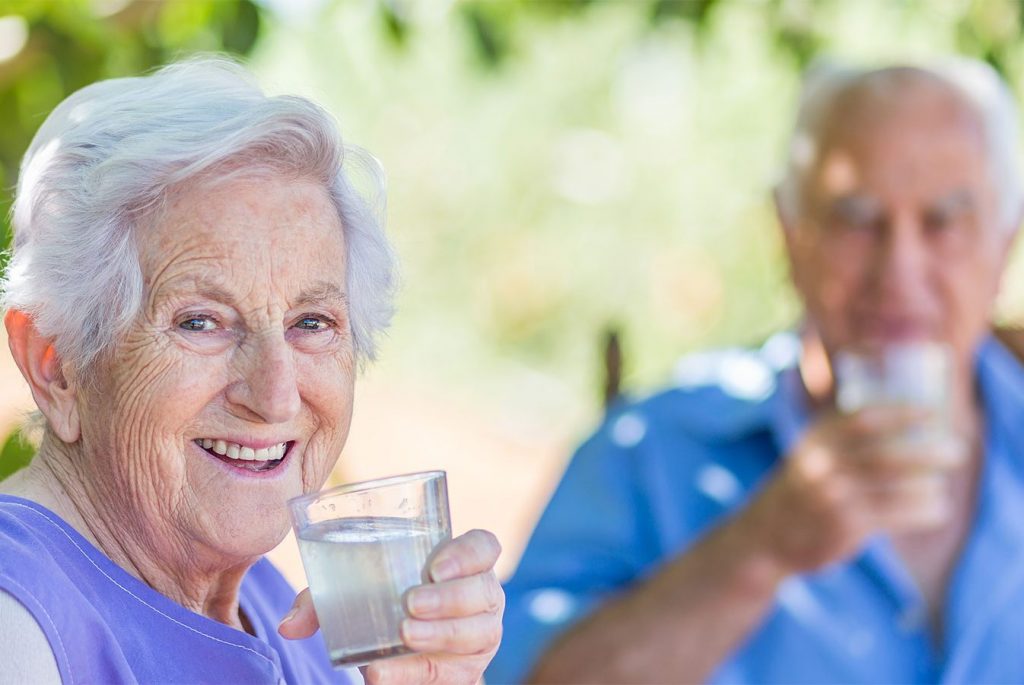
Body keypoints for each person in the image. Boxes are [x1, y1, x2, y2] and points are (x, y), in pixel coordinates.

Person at [488, 59, 1024, 684]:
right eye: (857, 221)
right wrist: (760, 547)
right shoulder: (649, 452)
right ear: (791, 235)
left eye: (943, 222)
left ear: (1005, 242)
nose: (899, 271)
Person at [0, 58, 504, 684]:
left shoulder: (278, 606)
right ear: (55, 365)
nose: (276, 395)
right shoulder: (15, 621)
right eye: (200, 322)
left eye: (311, 322)